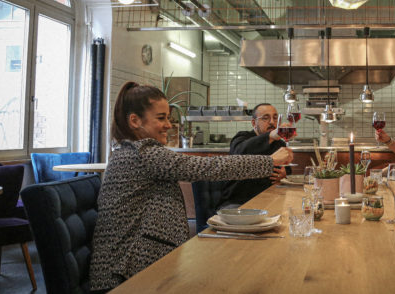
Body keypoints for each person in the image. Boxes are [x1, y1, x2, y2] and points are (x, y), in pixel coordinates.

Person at [89, 83, 292, 292]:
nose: (169, 124)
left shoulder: (133, 151)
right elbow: (206, 167)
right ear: (135, 121)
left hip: (141, 265)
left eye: (168, 117)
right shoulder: (143, 153)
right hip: (125, 276)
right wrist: (269, 161)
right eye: (161, 118)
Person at [214, 103, 294, 210]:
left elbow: (287, 169)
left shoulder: (279, 143)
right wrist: (270, 135)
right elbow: (239, 153)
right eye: (265, 118)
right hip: (238, 202)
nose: (272, 122)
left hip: (269, 199)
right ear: (253, 123)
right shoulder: (242, 138)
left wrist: (284, 174)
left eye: (275, 118)